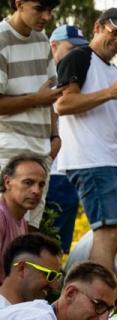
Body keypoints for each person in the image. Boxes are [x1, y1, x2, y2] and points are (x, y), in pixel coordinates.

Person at [54, 7, 117, 277]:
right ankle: (96, 301)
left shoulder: (116, 72)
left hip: (112, 162)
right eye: (115, 33)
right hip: (89, 160)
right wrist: (109, 93)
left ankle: (94, 296)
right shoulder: (78, 57)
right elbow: (62, 104)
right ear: (97, 27)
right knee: (107, 234)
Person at [0, 0, 61, 229]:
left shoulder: (41, 38)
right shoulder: (1, 39)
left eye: (50, 10)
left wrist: (55, 139)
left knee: (28, 235)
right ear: (19, 4)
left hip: (40, 153)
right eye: (39, 8)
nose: (46, 16)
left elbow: (50, 94)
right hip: (8, 152)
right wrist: (36, 99)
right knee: (5, 231)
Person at [42, 23, 83, 253]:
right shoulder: (40, 82)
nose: (77, 55)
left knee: (56, 249)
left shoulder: (79, 84)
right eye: (71, 49)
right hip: (40, 172)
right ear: (53, 47)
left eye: (81, 50)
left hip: (66, 175)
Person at [0, 155, 45, 258]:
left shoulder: (21, 219)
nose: (36, 191)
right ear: (7, 182)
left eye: (41, 185)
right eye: (28, 182)